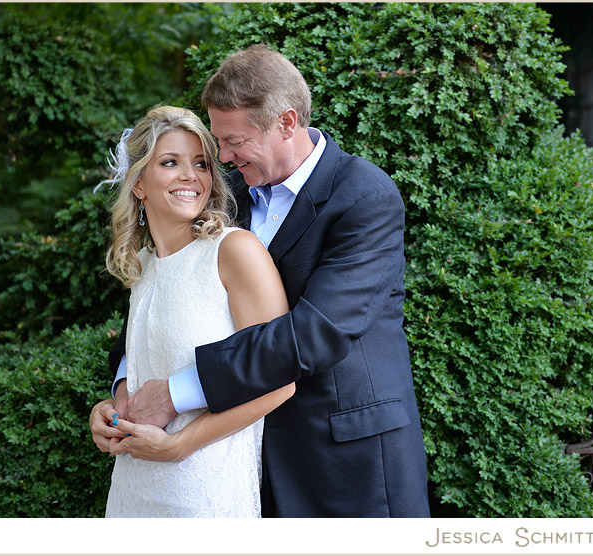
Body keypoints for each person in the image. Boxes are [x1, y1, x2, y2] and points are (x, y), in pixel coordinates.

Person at [95, 44, 431, 517]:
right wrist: (124, 388)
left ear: (287, 123)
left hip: (345, 455)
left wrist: (175, 392)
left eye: (233, 141)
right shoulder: (228, 194)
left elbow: (315, 334)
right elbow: (170, 292)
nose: (223, 158)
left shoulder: (364, 197)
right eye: (219, 143)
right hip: (244, 454)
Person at [89, 105, 295, 517]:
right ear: (139, 184)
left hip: (203, 490)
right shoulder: (144, 263)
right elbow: (145, 363)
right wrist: (111, 409)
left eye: (201, 163)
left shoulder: (234, 251)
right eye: (170, 163)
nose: (191, 176)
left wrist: (182, 444)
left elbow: (280, 381)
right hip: (132, 484)